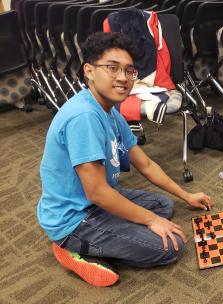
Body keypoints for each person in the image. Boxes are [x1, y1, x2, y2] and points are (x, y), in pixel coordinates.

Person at [37, 32, 212, 287]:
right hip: (73, 218)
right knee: (169, 247)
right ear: (89, 71)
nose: (123, 78)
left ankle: (110, 234)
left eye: (129, 71)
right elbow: (97, 192)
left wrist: (186, 196)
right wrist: (150, 221)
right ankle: (74, 248)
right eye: (112, 68)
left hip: (93, 202)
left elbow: (147, 165)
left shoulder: (109, 110)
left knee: (164, 205)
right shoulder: (84, 116)